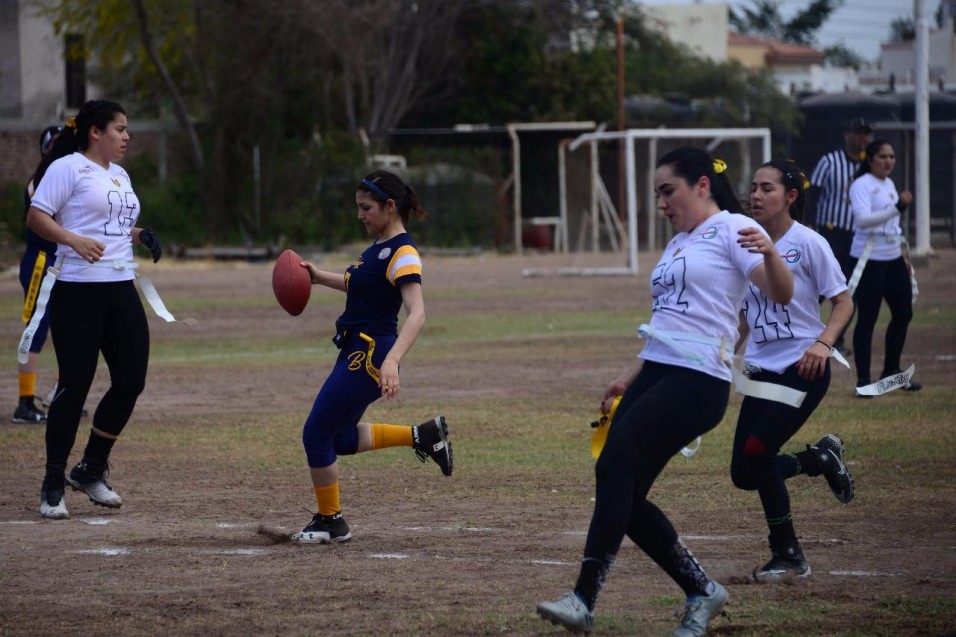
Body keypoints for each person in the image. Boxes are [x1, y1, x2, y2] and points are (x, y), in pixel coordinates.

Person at [536, 147, 794, 636]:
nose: (660, 202)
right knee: (625, 496)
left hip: (698, 380)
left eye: (667, 190)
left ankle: (583, 599)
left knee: (613, 466)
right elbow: (667, 322)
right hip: (659, 369)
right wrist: (629, 376)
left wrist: (773, 253)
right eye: (657, 193)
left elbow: (781, 294)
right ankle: (702, 590)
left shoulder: (733, 230)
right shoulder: (679, 242)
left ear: (701, 185)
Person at [292, 169, 452, 544]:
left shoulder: (403, 253)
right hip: (354, 348)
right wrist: (318, 276)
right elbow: (356, 283)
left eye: (366, 208)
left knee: (316, 433)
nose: (360, 215)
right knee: (341, 438)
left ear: (390, 206)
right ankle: (423, 435)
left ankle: (331, 520)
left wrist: (392, 360)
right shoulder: (377, 249)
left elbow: (418, 312)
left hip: (369, 354)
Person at [24, 99, 163, 520]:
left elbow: (113, 224)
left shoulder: (119, 174)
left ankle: (89, 467)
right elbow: (36, 216)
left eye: (127, 129)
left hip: (121, 287)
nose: (126, 136)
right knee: (76, 384)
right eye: (119, 128)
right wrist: (72, 240)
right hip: (78, 290)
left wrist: (140, 233)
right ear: (95, 132)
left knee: (131, 380)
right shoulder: (67, 167)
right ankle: (52, 482)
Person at [731, 159, 856, 582]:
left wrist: (823, 344)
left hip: (803, 368)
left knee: (757, 453)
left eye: (767, 188)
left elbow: (843, 303)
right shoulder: (746, 243)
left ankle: (788, 555)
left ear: (791, 196)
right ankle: (819, 459)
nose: (756, 195)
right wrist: (721, 352)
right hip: (761, 373)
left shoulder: (810, 243)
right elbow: (746, 314)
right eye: (753, 187)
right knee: (743, 473)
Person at [847, 139, 920, 394]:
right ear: (870, 159)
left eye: (891, 156)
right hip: (868, 259)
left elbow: (892, 224)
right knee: (867, 318)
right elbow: (863, 221)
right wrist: (897, 207)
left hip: (892, 255)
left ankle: (891, 371)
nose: (888, 161)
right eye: (882, 156)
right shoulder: (861, 185)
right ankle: (863, 381)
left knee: (904, 312)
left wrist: (904, 256)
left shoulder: (888, 183)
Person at [807, 118, 874, 354]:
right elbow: (813, 193)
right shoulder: (830, 161)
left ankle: (837, 339)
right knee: (818, 288)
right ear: (847, 135)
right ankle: (803, 330)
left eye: (866, 134)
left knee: (849, 290)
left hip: (856, 238)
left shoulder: (871, 166)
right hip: (830, 234)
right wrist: (810, 226)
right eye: (858, 133)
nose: (862, 138)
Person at [12, 126, 62, 424]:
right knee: (36, 329)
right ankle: (25, 402)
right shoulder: (40, 181)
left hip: (63, 262)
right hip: (41, 262)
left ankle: (61, 394)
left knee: (71, 330)